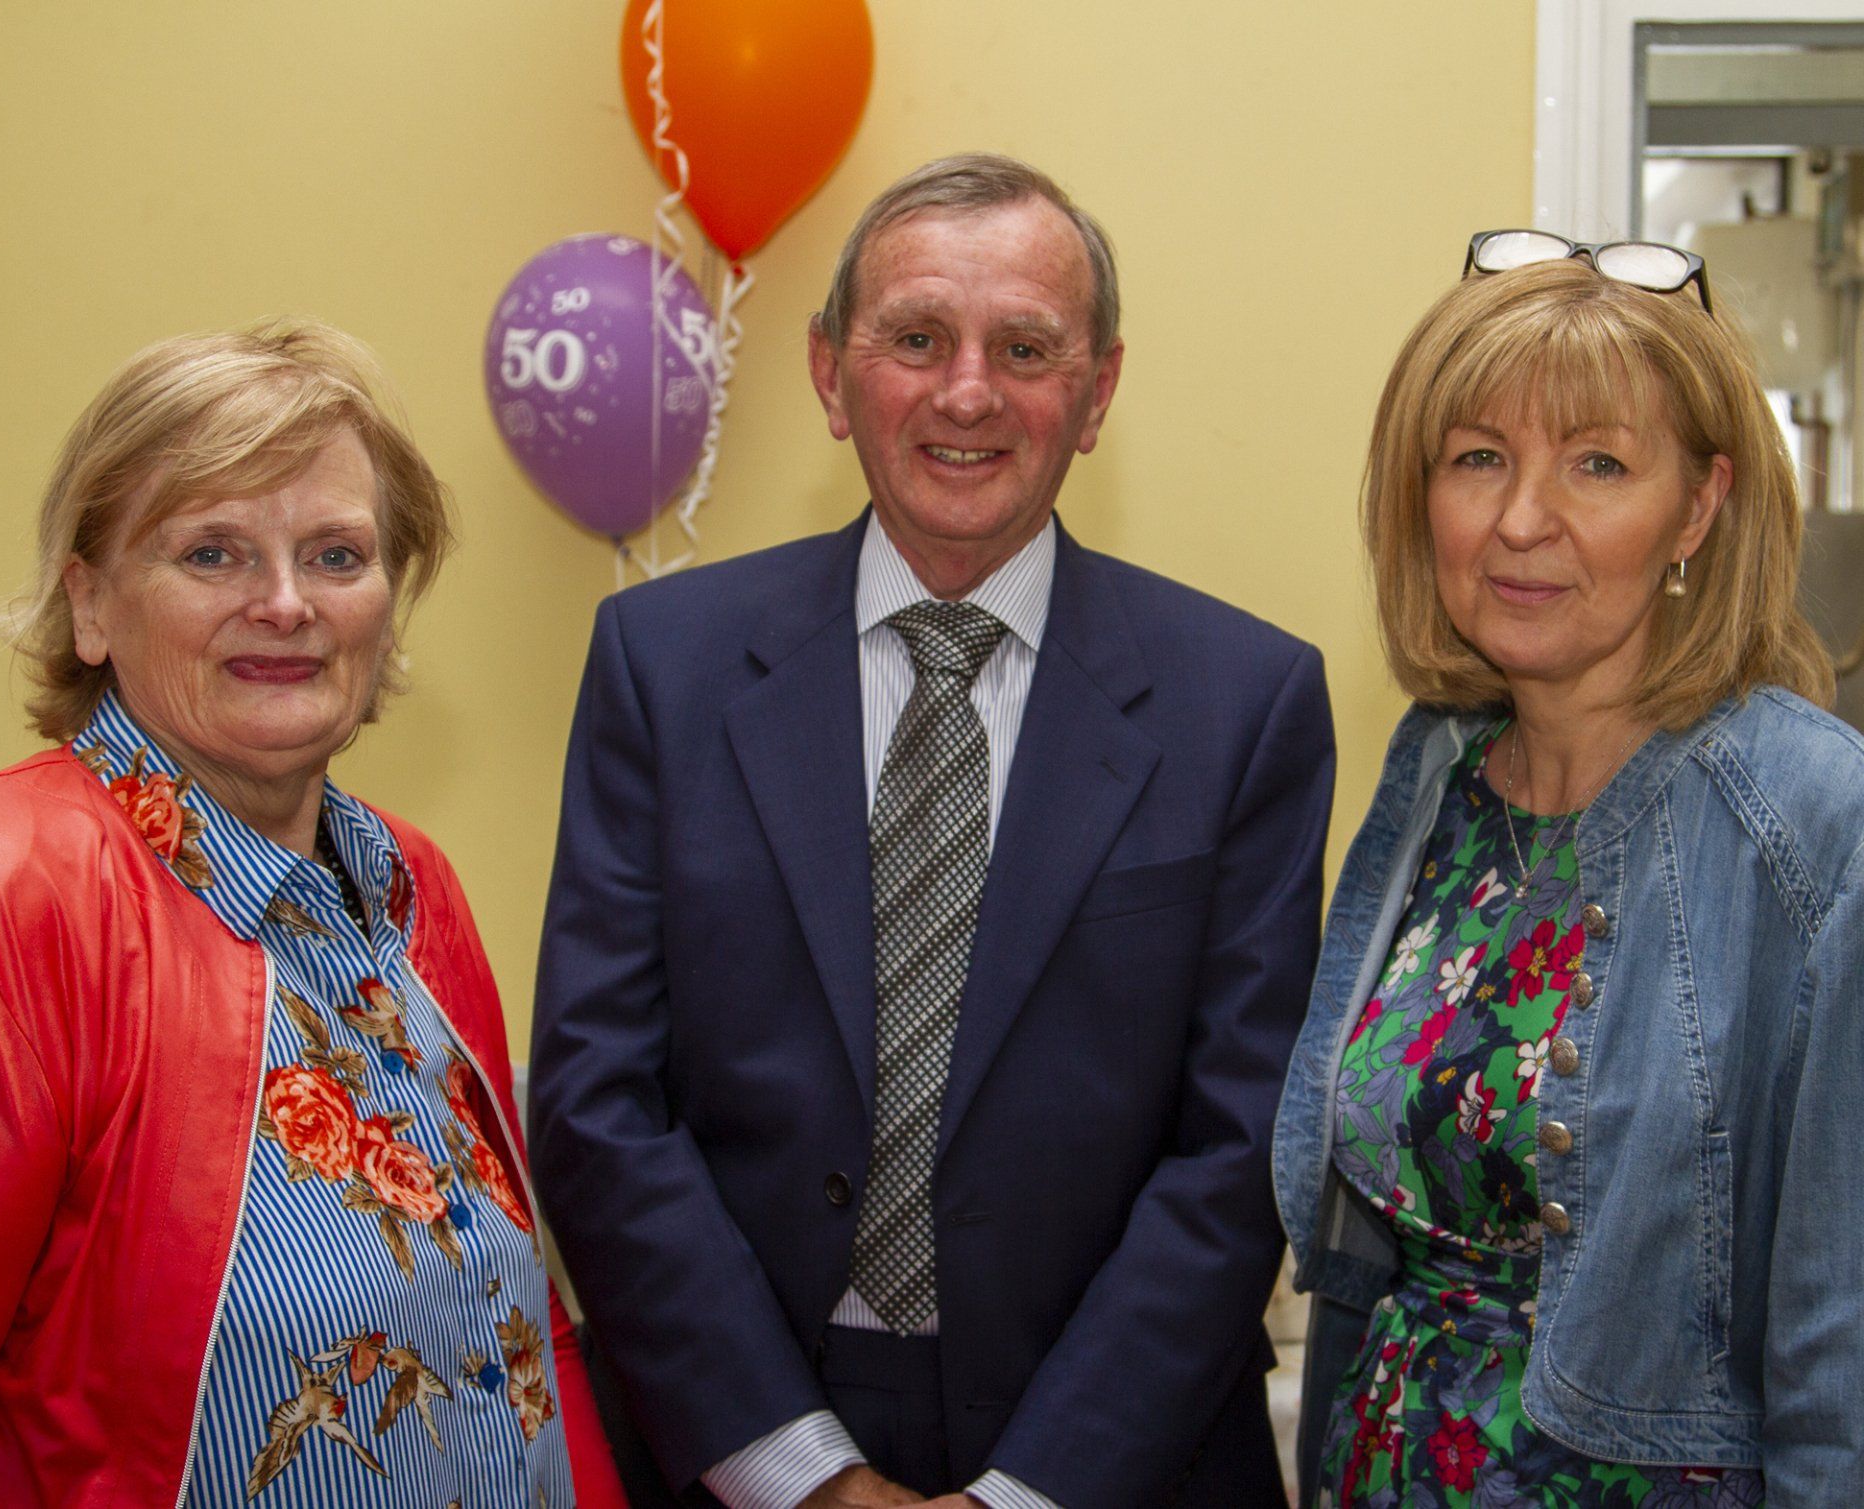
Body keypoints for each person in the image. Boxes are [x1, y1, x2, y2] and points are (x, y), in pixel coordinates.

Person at [530, 153, 1336, 1509]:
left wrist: (1025, 1494)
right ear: (830, 370)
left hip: (1114, 1454)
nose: (969, 392)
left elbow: (1240, 1146)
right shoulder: (659, 665)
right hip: (733, 1430)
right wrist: (806, 1478)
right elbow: (597, 1100)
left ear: (1098, 392)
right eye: (915, 338)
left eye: (1025, 346)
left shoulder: (1245, 702)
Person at [0, 321, 625, 1508]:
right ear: (90, 604)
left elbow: (524, 1343)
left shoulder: (412, 888)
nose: (283, 603)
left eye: (336, 555)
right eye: (211, 554)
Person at [1273, 235, 1864, 1508]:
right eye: (1479, 458)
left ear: (1698, 508)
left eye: (1597, 464)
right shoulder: (1433, 776)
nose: (1521, 520)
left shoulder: (1816, 821)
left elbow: (1843, 1346)